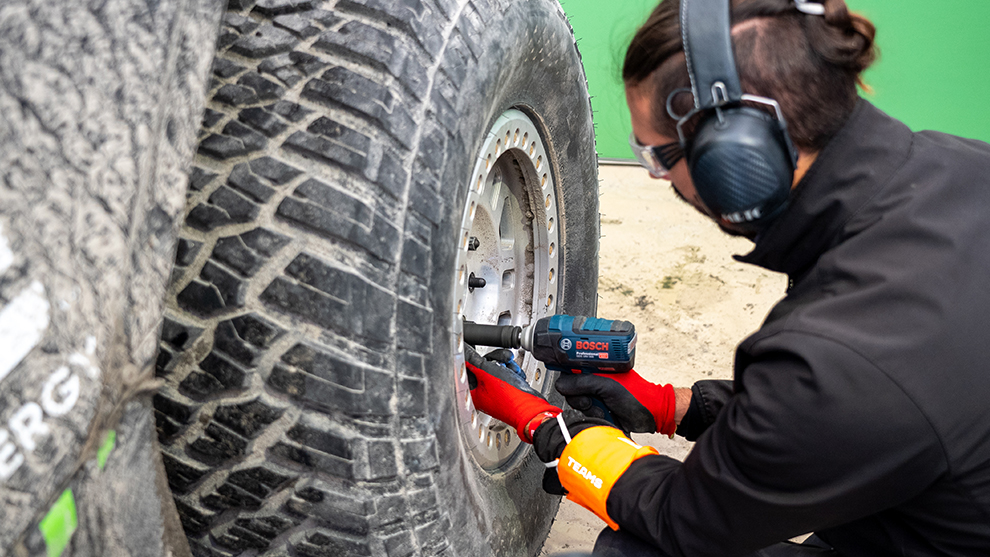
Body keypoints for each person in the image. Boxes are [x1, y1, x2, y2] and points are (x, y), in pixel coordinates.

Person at [465, 0, 990, 555]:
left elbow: (687, 522)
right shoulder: (959, 167)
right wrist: (675, 407)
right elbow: (850, 411)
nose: (661, 179)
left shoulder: (842, 353)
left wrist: (557, 434)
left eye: (659, 156)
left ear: (733, 157)